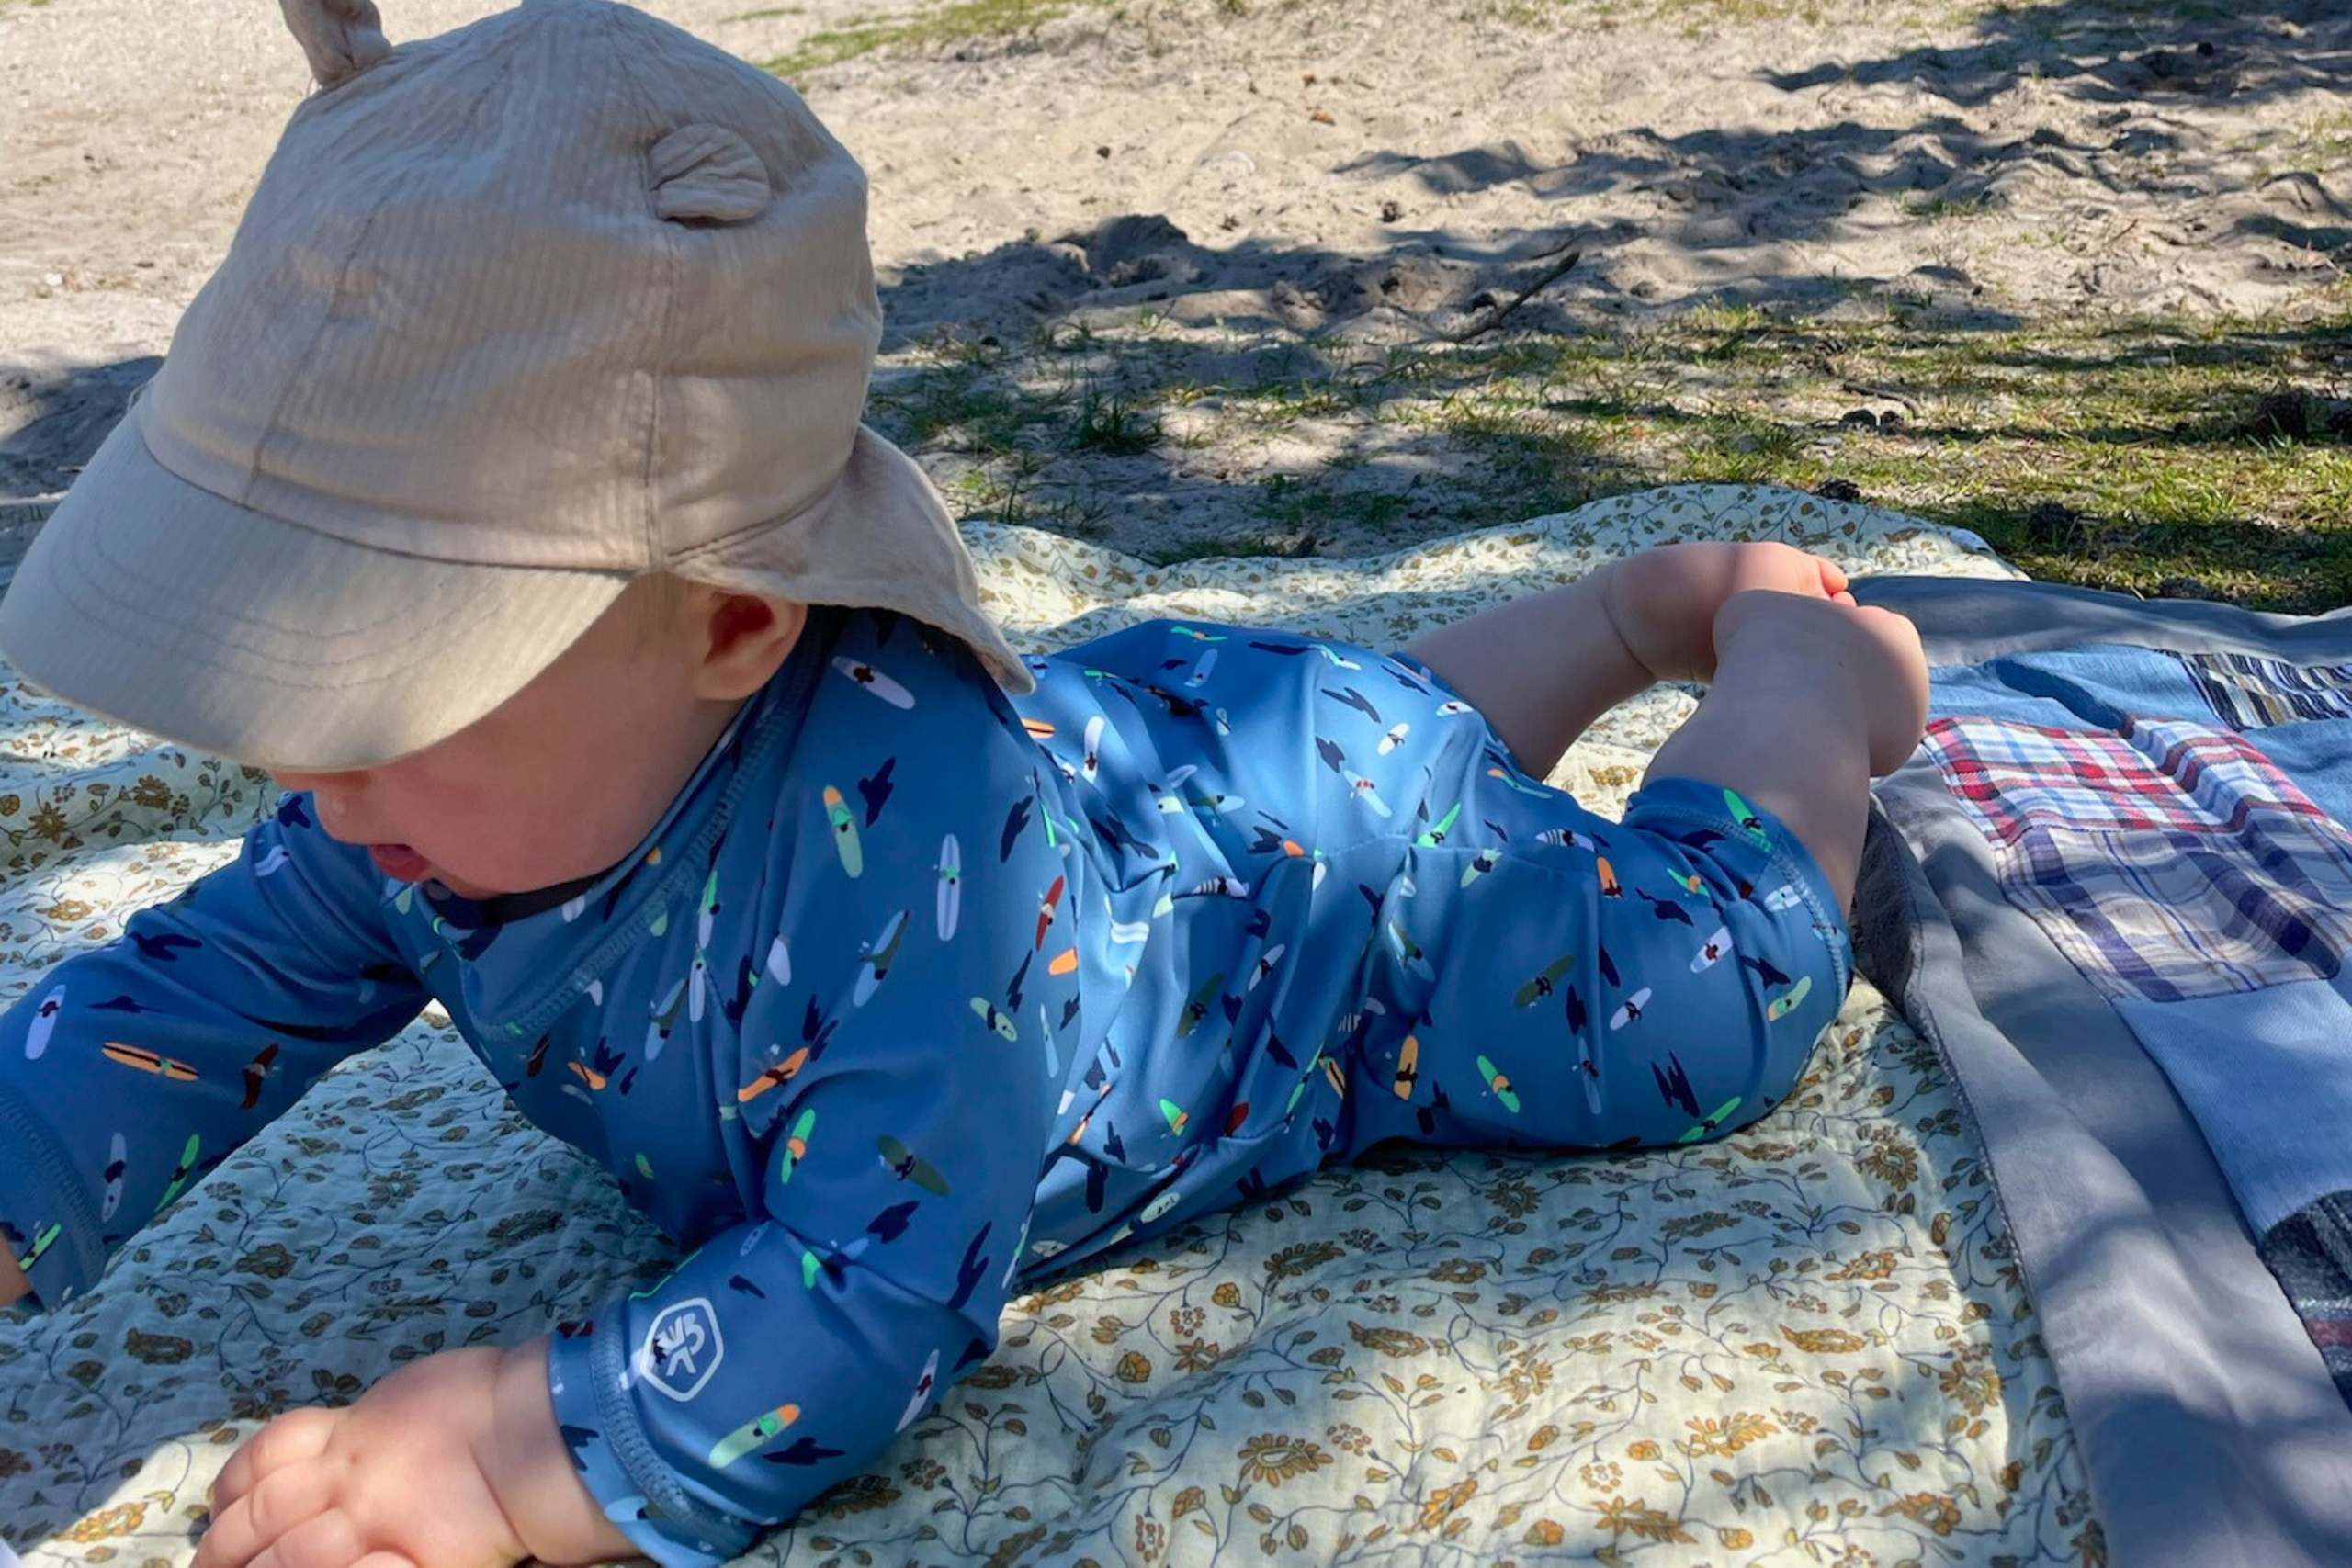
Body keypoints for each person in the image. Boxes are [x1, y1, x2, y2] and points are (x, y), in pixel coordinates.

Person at [0, 2, 1928, 1564]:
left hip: (1354, 948)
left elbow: (876, 1281)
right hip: (1211, 752)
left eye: (384, 679)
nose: (300, 765)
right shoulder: (393, 805)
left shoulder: (912, 866)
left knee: (1702, 1009)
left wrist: (515, 1450)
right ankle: (1593, 620)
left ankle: (1785, 669)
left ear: (737, 623)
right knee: (1356, 733)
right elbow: (185, 997)